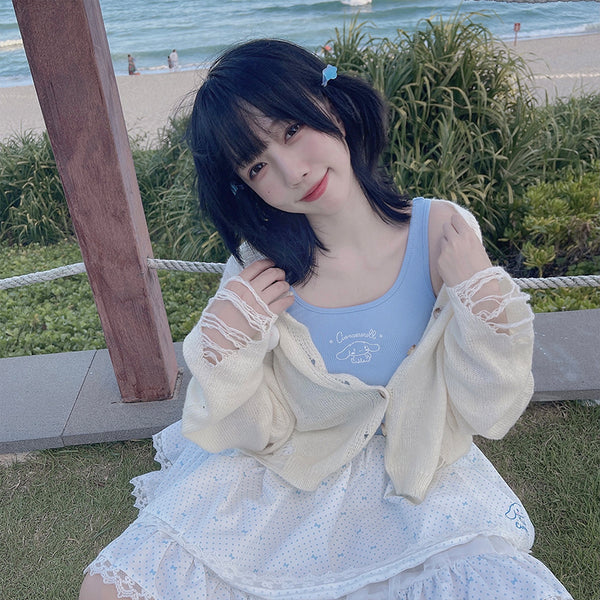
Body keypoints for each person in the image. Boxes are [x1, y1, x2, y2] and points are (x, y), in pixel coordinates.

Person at [80, 39, 573, 600]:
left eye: (292, 129)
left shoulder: (444, 233)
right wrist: (227, 349)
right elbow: (257, 429)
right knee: (107, 591)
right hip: (285, 472)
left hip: (413, 473)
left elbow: (488, 408)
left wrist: (479, 296)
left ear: (331, 103)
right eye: (257, 165)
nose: (292, 171)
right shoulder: (258, 268)